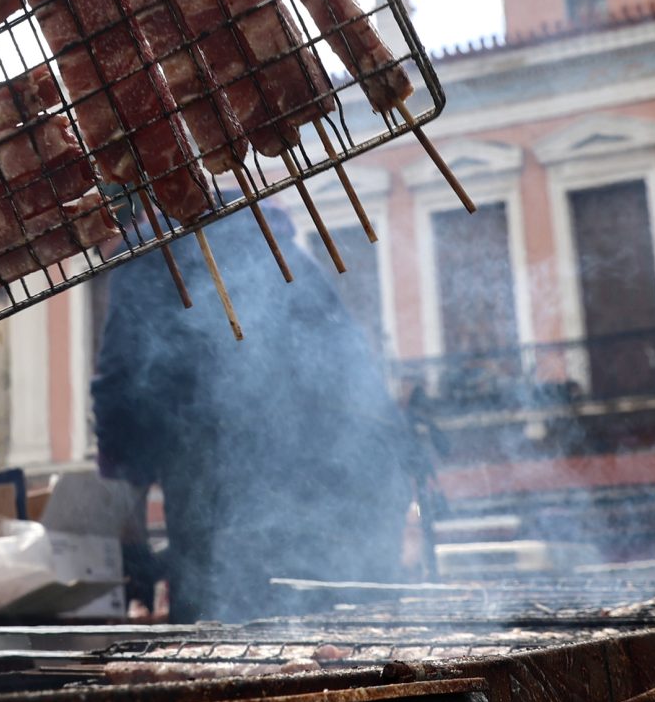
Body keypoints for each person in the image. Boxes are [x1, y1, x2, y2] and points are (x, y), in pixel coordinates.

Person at [92, 206, 416, 623]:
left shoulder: (145, 263)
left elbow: (120, 403)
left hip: (246, 500)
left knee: (235, 654)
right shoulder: (274, 246)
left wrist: (130, 542)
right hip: (367, 486)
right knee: (361, 646)